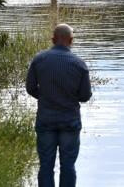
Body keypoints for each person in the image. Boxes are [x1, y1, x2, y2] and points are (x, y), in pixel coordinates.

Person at [26, 24, 92, 187]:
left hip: (46, 120)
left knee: (46, 166)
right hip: (70, 121)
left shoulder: (39, 59)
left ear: (53, 40)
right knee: (68, 166)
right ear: (71, 40)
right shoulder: (79, 64)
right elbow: (85, 96)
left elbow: (30, 88)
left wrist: (44, 97)